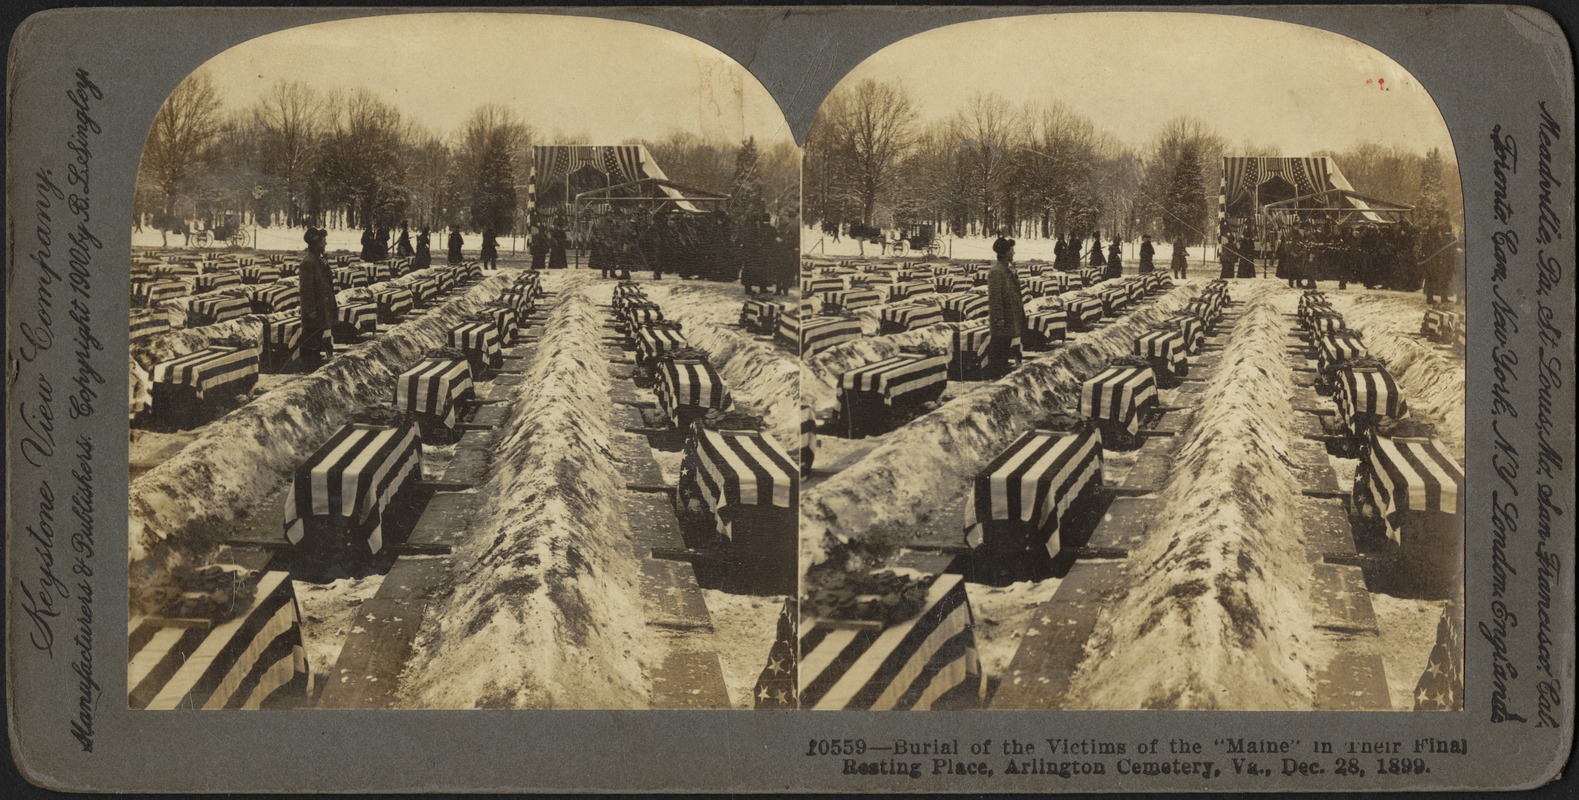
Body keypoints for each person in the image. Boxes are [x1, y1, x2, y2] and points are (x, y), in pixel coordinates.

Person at [986, 236, 1027, 379]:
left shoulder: (1006, 270)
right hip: (1003, 320)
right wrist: (998, 318)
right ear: (1005, 253)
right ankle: (995, 375)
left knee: (1004, 345)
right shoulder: (997, 272)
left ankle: (1001, 371)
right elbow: (995, 298)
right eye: (1011, 250)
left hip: (1010, 317)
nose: (1014, 253)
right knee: (998, 346)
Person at [299, 227, 337, 369]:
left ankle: (313, 364)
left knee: (316, 337)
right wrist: (310, 311)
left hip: (321, 309)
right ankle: (308, 367)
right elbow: (306, 290)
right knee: (311, 339)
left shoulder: (318, 261)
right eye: (323, 241)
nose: (326, 244)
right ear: (316, 244)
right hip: (314, 311)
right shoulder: (308, 263)